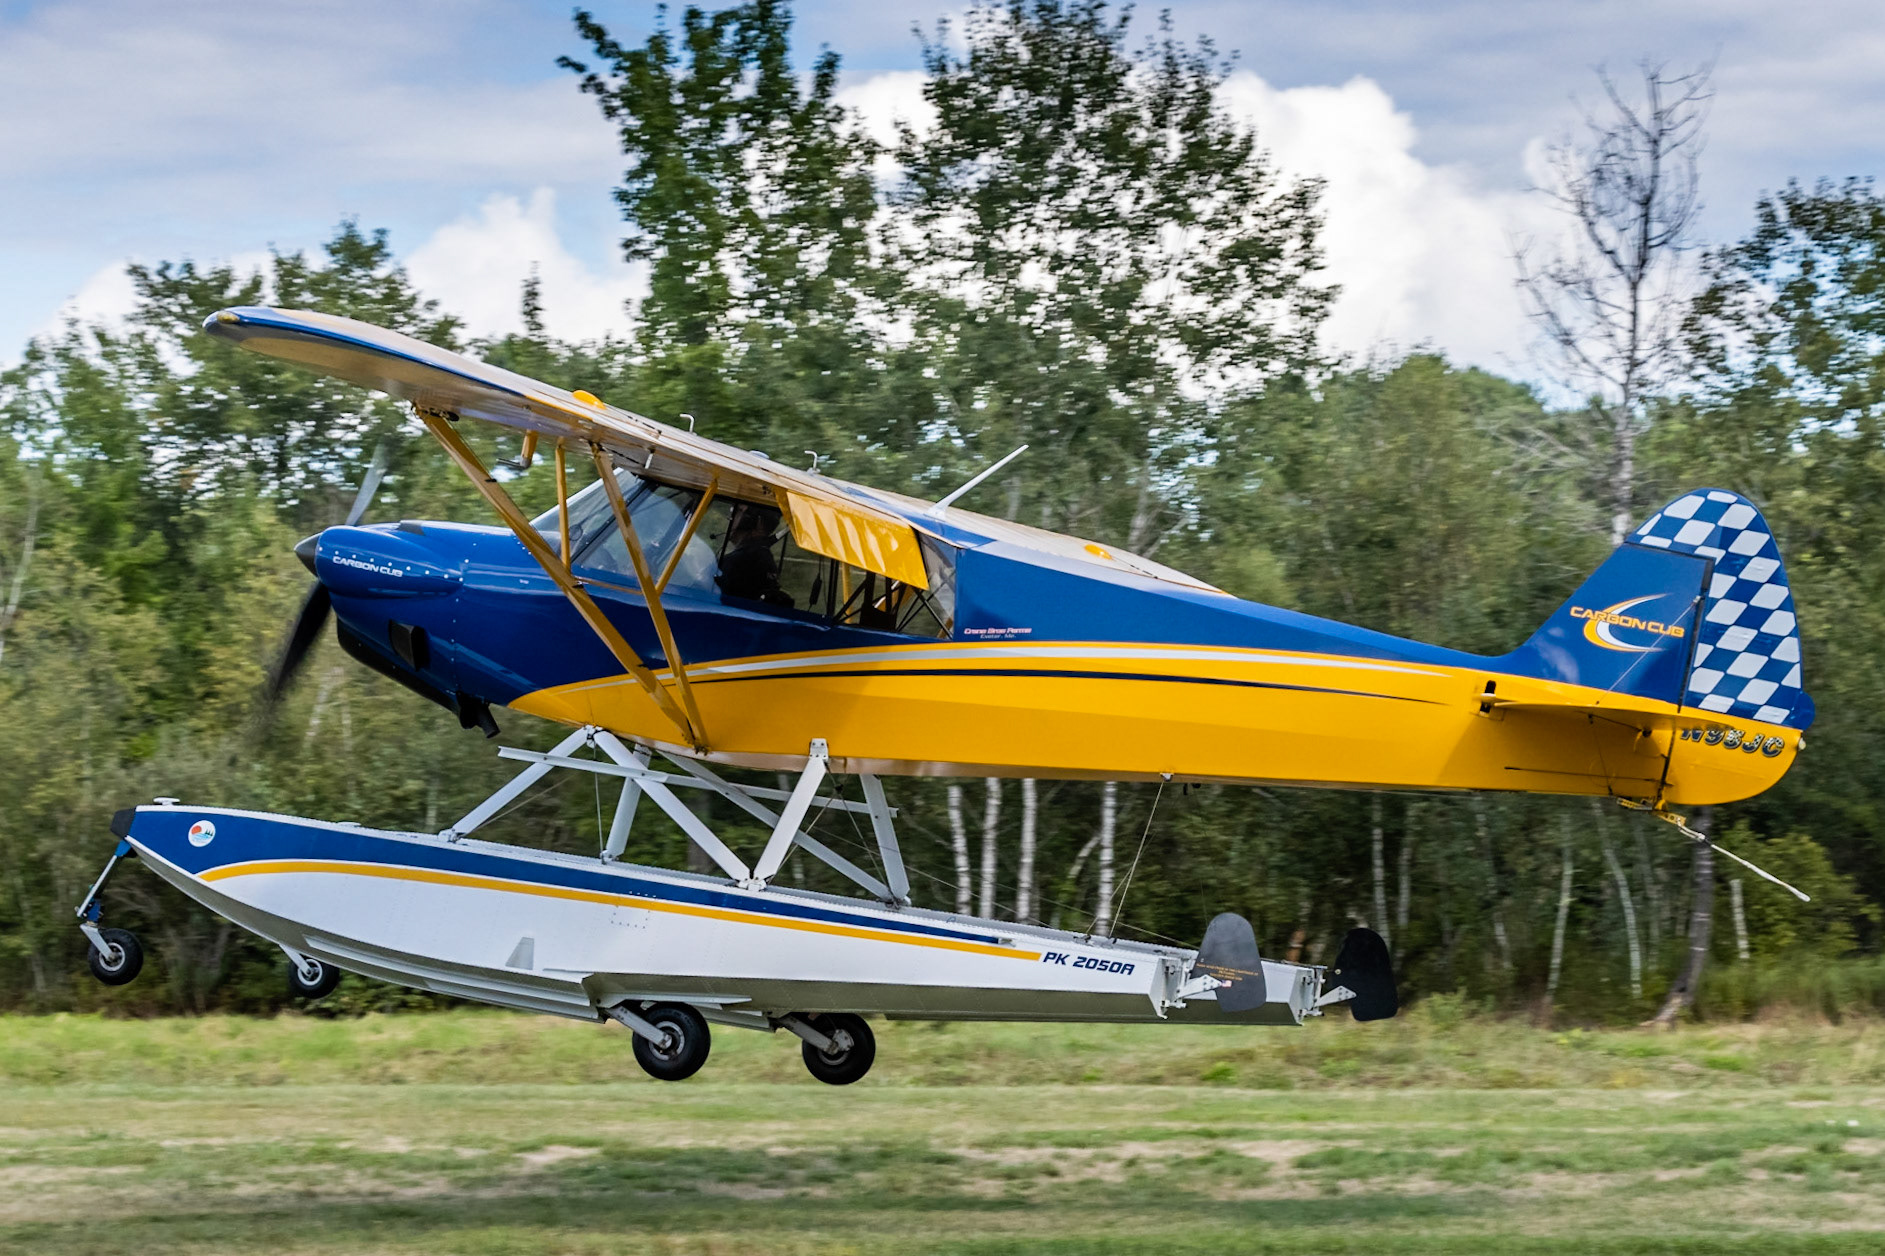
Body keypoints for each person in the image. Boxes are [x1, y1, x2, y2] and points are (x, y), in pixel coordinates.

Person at [717, 506, 793, 607]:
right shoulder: (764, 557)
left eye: (738, 511)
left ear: (757, 522)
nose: (730, 517)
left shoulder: (737, 562)